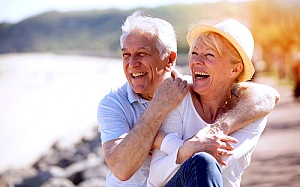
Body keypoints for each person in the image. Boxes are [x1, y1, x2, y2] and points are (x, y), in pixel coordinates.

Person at [97, 11, 280, 186]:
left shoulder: (185, 93)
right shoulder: (114, 104)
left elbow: (268, 95)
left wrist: (215, 130)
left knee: (203, 161)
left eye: (142, 54)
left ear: (170, 60)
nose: (132, 64)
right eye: (125, 55)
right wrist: (157, 110)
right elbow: (122, 169)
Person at [147, 19, 276, 187]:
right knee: (202, 161)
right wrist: (188, 148)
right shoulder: (179, 97)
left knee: (204, 162)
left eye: (209, 55)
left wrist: (168, 143)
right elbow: (156, 178)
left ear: (235, 69)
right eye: (194, 53)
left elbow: (217, 160)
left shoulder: (251, 112)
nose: (196, 61)